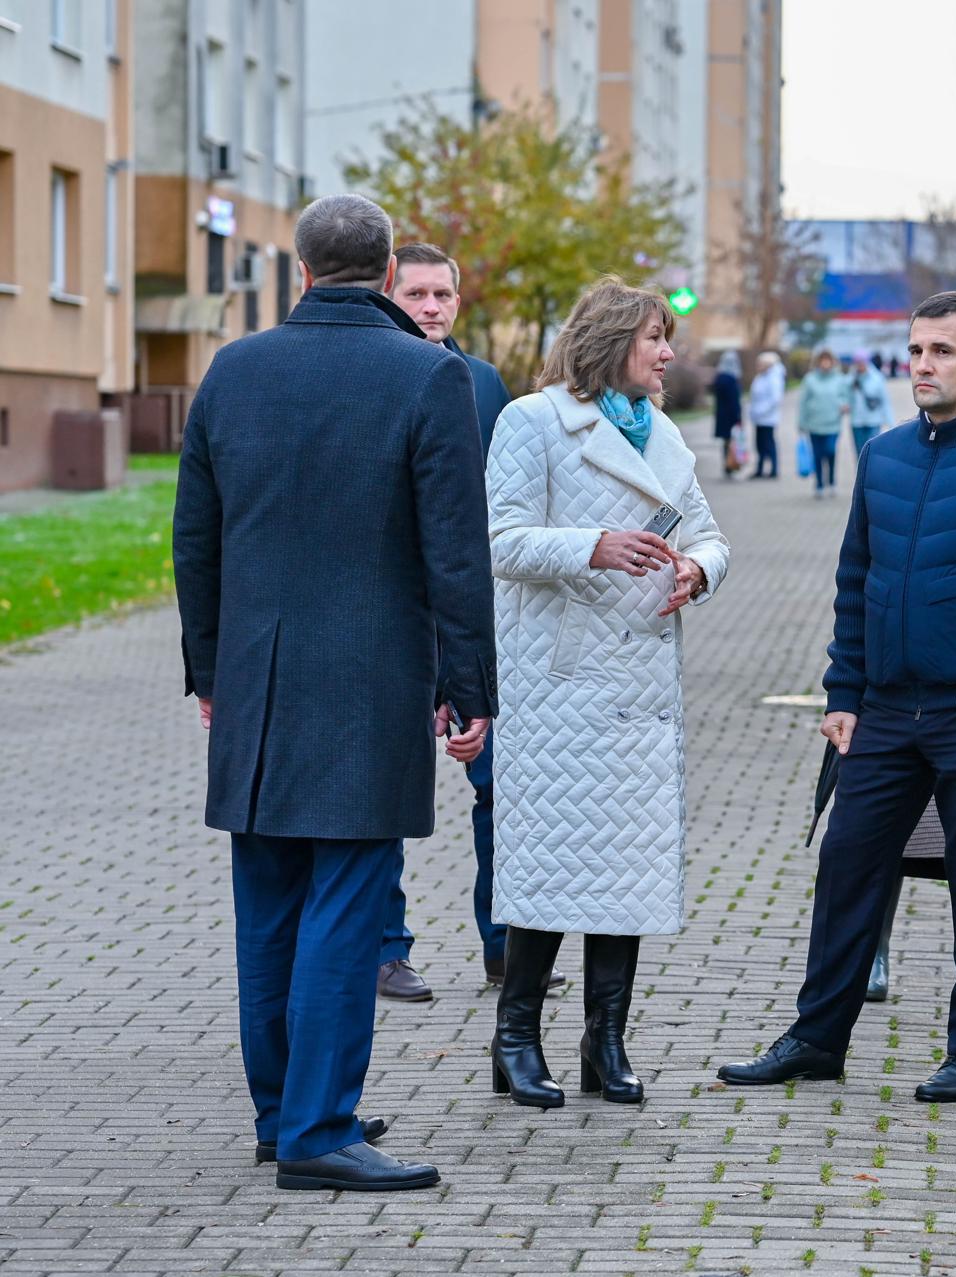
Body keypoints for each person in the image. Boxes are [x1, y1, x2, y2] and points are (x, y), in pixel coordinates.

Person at [173, 193, 493, 1191]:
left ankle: (284, 1112)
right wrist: (469, 686)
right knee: (346, 904)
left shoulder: (234, 369)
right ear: (388, 267)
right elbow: (456, 553)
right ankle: (317, 1126)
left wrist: (208, 670)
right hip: (368, 683)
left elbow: (195, 534)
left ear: (302, 268)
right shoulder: (429, 376)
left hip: (256, 684)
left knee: (268, 904)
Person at [716, 291, 956, 1103]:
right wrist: (842, 690)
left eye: (942, 352)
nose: (922, 366)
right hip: (883, 710)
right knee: (849, 864)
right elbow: (856, 582)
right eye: (915, 351)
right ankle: (817, 1037)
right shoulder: (881, 457)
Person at [486, 277, 731, 1109]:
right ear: (610, 340)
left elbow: (708, 532)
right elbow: (505, 540)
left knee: (625, 867)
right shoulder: (532, 421)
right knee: (552, 862)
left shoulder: (661, 431)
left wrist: (699, 568)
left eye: (669, 339)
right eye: (655, 339)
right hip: (558, 689)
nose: (670, 354)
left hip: (640, 691)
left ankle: (606, 1040)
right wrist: (594, 544)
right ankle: (516, 1037)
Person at [376, 241, 550, 1002]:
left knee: (499, 790)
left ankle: (504, 944)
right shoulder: (369, 375)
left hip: (479, 615)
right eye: (416, 294)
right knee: (379, 791)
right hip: (387, 617)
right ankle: (385, 949)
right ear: (390, 296)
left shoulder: (483, 385)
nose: (432, 308)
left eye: (442, 295)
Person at [798, 346, 849, 497]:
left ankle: (832, 482)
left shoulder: (839, 379)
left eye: (828, 360)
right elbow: (803, 402)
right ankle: (819, 484)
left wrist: (844, 404)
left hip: (832, 424)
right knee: (817, 455)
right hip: (814, 424)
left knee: (831, 452)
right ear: (818, 362)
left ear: (833, 362)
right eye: (822, 360)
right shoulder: (810, 379)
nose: (825, 363)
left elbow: (845, 396)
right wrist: (801, 423)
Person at [748, 351, 784, 478]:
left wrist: (761, 411)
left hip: (768, 418)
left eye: (761, 364)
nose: (758, 366)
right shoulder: (760, 377)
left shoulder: (773, 378)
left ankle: (774, 469)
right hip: (758, 417)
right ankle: (760, 468)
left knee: (769, 444)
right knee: (759, 444)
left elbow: (775, 399)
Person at [848, 352, 891, 456]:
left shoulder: (877, 378)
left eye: (862, 362)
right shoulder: (851, 378)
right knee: (860, 453)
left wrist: (890, 422)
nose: (860, 365)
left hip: (873, 421)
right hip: (857, 421)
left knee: (872, 452)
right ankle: (861, 472)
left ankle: (871, 472)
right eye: (858, 362)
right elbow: (845, 396)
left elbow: (884, 400)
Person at [710, 351, 745, 480]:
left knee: (726, 442)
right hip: (731, 416)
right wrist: (738, 418)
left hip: (721, 415)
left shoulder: (719, 377)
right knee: (732, 441)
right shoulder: (731, 378)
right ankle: (730, 465)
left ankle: (727, 465)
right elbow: (734, 400)